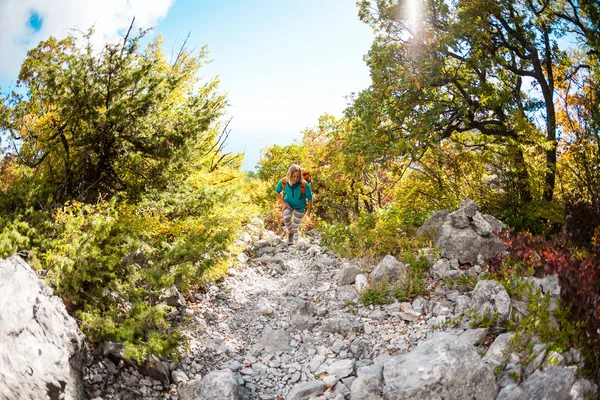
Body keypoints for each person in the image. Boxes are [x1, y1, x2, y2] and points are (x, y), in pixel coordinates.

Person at [275, 164, 313, 245]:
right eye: (293, 176)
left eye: (298, 177)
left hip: (300, 206)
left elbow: (310, 199)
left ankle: (296, 241)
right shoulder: (284, 182)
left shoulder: (304, 184)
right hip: (288, 203)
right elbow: (277, 191)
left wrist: (308, 214)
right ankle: (290, 233)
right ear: (289, 175)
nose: (295, 179)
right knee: (286, 217)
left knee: (295, 226)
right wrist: (283, 203)